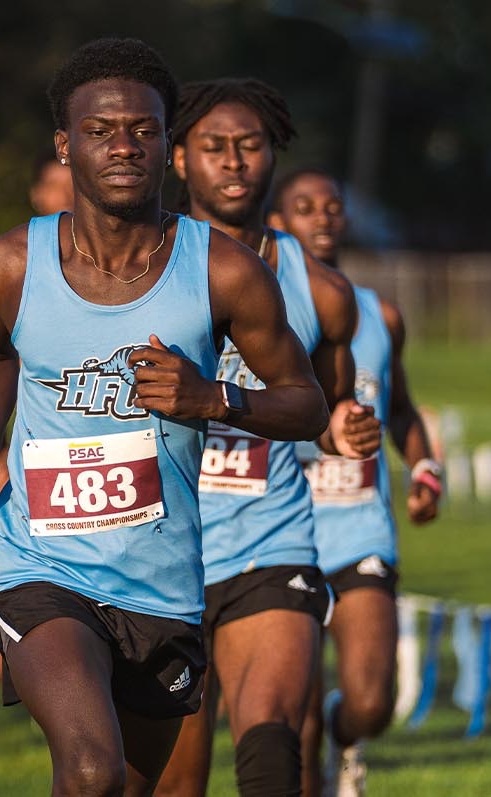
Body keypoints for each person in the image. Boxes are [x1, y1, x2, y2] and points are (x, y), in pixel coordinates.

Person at [0, 37, 329, 795]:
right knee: (89, 769)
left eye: (144, 130)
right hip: (42, 566)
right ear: (64, 144)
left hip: (163, 583)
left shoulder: (223, 270)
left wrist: (215, 397)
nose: (123, 146)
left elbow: (305, 400)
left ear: (166, 144)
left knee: (127, 788)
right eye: (99, 130)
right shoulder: (5, 268)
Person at [157, 79, 381, 797]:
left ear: (272, 155)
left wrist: (345, 430)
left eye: (248, 145)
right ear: (181, 160)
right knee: (173, 780)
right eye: (213, 147)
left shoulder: (321, 292)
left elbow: (327, 411)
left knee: (272, 746)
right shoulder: (142, 269)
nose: (233, 162)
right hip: (160, 558)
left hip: (272, 541)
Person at [268, 169, 442, 797]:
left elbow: (401, 408)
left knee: (372, 701)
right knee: (298, 721)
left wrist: (424, 467)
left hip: (360, 527)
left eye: (332, 207)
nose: (322, 218)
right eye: (304, 208)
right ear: (279, 223)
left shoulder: (379, 314)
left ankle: (352, 740)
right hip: (280, 532)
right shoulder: (256, 314)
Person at [29, 152, 75, 216]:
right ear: (36, 194)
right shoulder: (28, 226)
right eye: (54, 187)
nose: (64, 196)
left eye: (71, 185)